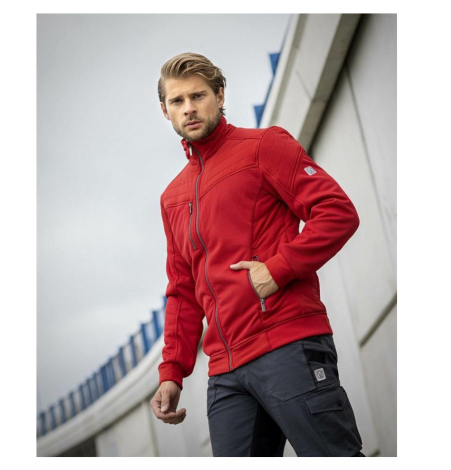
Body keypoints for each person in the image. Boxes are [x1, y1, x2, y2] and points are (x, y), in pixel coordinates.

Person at [150, 52, 365, 457]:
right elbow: (182, 291)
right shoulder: (172, 198)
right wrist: (172, 371)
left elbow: (337, 212)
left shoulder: (264, 146)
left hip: (287, 345)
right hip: (225, 373)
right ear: (166, 111)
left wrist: (278, 269)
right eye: (177, 101)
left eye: (198, 96)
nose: (189, 108)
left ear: (220, 95)